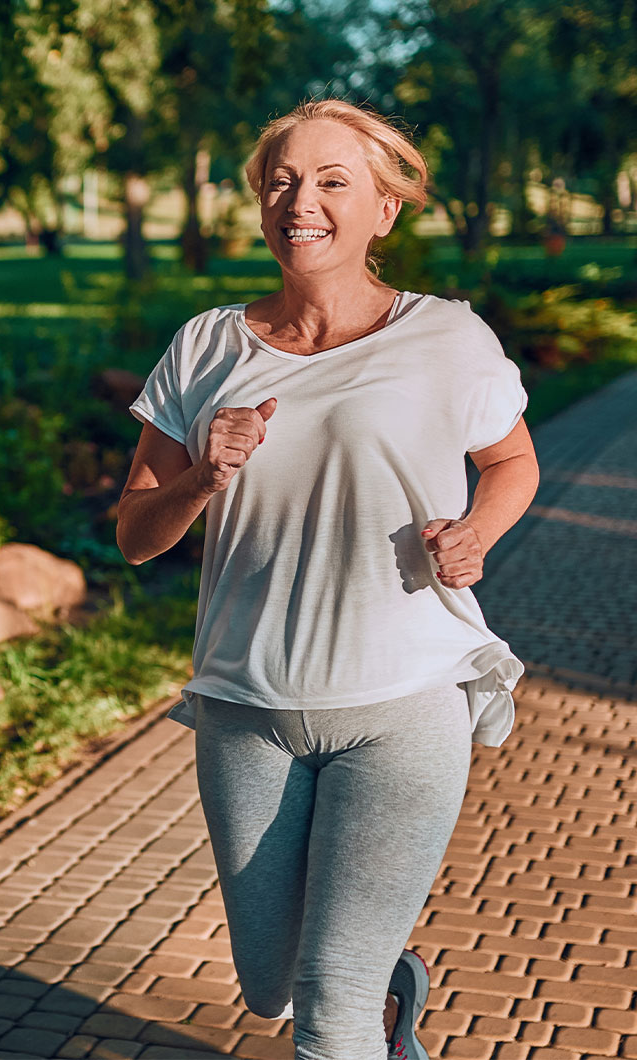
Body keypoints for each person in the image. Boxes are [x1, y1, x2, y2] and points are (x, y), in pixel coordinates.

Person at [116, 99, 539, 1060]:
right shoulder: (206, 347)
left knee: (327, 1006)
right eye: (282, 181)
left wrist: (475, 531)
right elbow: (137, 537)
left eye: (334, 182)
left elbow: (513, 464)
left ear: (385, 210)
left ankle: (361, 992)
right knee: (270, 984)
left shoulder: (444, 338)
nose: (301, 202)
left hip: (404, 699)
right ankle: (390, 979)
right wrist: (201, 477)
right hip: (245, 707)